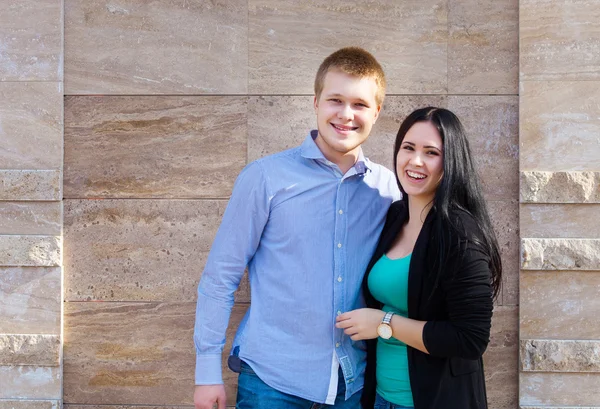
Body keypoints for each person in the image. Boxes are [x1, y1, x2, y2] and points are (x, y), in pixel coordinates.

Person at [193, 47, 401, 409]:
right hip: (271, 383)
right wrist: (207, 371)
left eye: (360, 104)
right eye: (335, 99)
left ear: (377, 112)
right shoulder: (265, 178)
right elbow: (220, 277)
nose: (346, 115)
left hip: (353, 386)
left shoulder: (389, 190)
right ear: (316, 102)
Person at [335, 107, 502, 409]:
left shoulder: (460, 233)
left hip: (433, 400)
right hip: (381, 398)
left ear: (451, 162)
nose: (415, 161)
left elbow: (471, 338)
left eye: (431, 152)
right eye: (408, 148)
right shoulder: (396, 215)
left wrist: (385, 323)